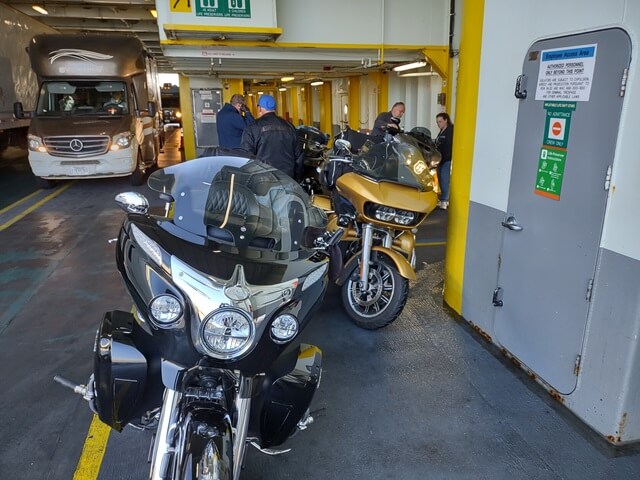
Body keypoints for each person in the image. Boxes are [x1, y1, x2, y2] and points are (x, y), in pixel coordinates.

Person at [240, 94, 304, 182]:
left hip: (262, 180)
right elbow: (299, 156)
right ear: (275, 109)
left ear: (260, 109)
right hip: (287, 179)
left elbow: (246, 156)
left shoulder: (252, 127)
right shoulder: (289, 126)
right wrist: (297, 180)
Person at [435, 112, 454, 210]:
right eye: (437, 122)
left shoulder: (450, 130)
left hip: (446, 159)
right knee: (440, 179)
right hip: (440, 160)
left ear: (446, 120)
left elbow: (449, 146)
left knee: (444, 179)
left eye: (440, 121)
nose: (439, 124)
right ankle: (443, 198)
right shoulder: (441, 131)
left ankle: (444, 201)